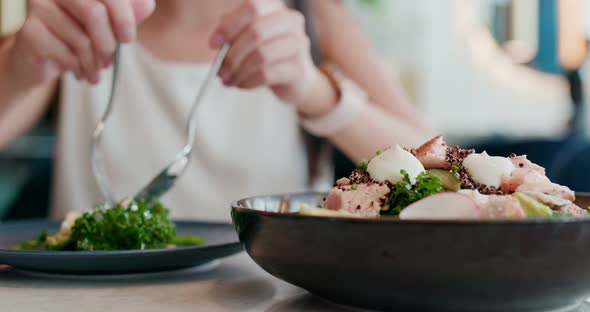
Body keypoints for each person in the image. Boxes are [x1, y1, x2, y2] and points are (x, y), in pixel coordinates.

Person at [0, 0, 430, 221]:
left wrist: (314, 91)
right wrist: (20, 64)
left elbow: (435, 172)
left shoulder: (313, 18)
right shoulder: (82, 18)